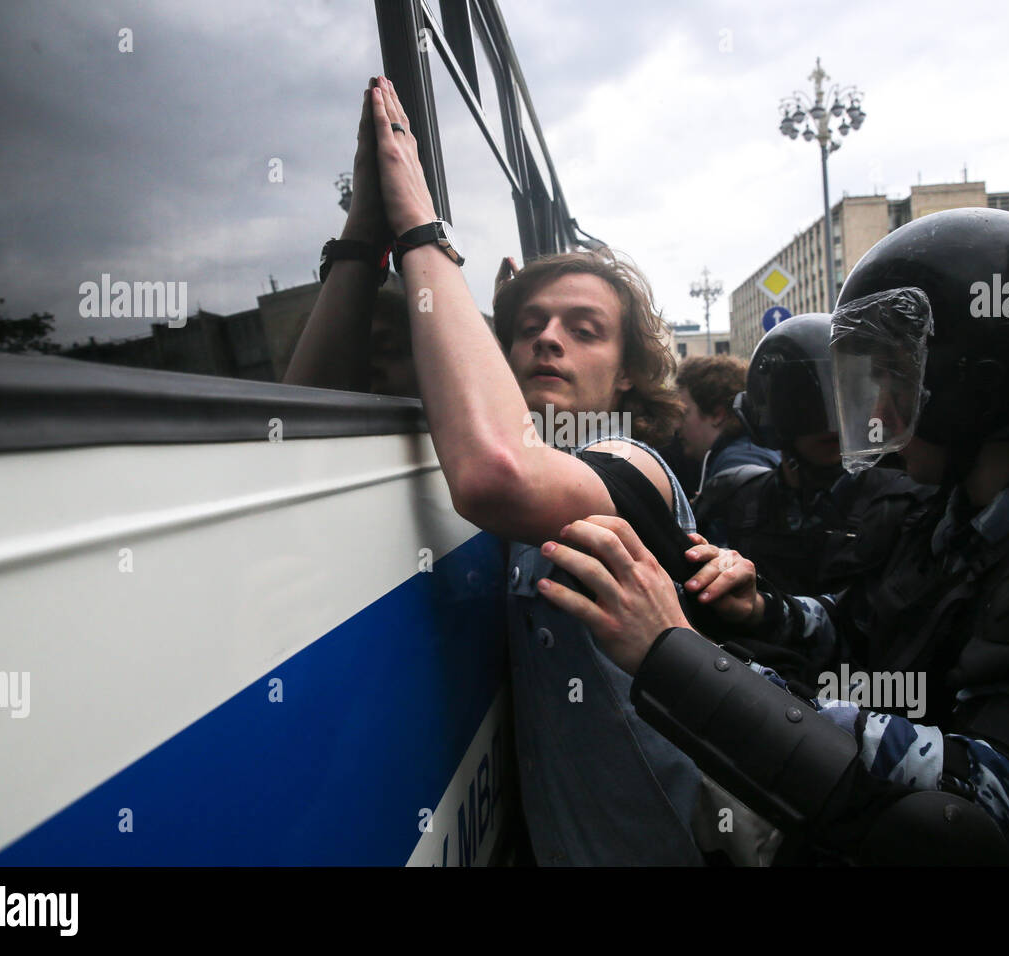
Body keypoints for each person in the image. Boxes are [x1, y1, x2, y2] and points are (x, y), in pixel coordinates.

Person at [535, 207, 1009, 865]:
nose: (877, 409)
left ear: (974, 387)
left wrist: (677, 660)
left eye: (893, 377)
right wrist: (764, 612)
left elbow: (979, 819)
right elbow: (868, 629)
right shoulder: (962, 511)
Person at [290, 77, 743, 865]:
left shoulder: (632, 467)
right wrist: (362, 240)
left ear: (630, 373)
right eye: (528, 327)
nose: (549, 340)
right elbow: (295, 423)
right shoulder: (524, 456)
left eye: (585, 329)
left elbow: (497, 472)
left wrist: (419, 228)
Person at [696, 314, 934, 597]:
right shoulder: (732, 498)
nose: (830, 421)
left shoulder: (907, 505)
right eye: (805, 403)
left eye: (844, 398)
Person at [674, 355, 780, 543]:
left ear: (717, 414)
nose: (677, 425)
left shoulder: (737, 463)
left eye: (684, 412)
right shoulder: (746, 450)